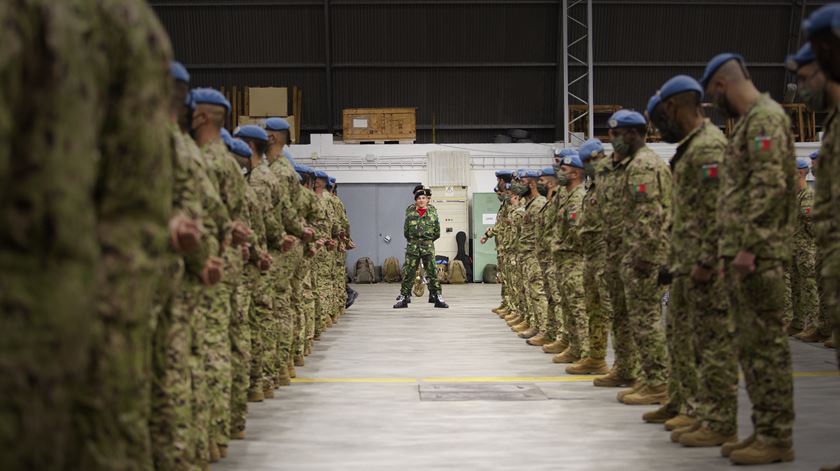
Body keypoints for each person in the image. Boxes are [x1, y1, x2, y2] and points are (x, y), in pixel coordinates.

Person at [702, 52, 796, 465]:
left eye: (711, 95)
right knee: (752, 349)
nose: (713, 103)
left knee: (767, 348)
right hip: (746, 255)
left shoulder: (765, 119)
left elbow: (769, 187)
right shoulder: (747, 125)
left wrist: (747, 246)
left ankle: (776, 436)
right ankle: (762, 430)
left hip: (759, 256)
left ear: (721, 85)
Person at [647, 75, 738, 447]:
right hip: (686, 264)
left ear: (674, 106)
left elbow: (721, 211)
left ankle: (719, 421)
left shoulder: (709, 147)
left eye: (661, 116)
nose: (660, 126)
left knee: (712, 345)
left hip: (707, 267)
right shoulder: (691, 147)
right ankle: (687, 405)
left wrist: (707, 259)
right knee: (682, 340)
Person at [608, 109, 672, 406]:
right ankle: (649, 379)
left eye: (615, 134)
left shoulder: (643, 166)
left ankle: (657, 384)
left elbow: (648, 214)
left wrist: (645, 257)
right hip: (637, 255)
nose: (612, 141)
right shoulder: (636, 163)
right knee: (641, 321)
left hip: (645, 259)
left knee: (646, 322)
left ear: (632, 133)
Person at [575, 139, 617, 377]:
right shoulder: (594, 187)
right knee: (596, 311)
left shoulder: (613, 182)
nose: (587, 167)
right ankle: (596, 358)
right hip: (592, 258)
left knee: (617, 315)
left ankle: (635, 370)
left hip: (608, 257)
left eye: (589, 161)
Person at [394, 186, 448, 308]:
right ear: (416, 200)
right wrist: (415, 241)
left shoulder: (432, 213)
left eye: (424, 198)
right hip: (413, 247)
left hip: (428, 247)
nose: (421, 200)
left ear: (427, 200)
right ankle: (404, 297)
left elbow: (437, 232)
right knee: (408, 273)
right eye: (419, 198)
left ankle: (438, 297)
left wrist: (426, 241)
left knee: (433, 273)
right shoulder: (410, 213)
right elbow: (406, 232)